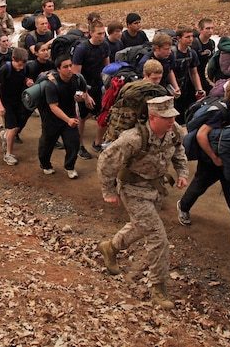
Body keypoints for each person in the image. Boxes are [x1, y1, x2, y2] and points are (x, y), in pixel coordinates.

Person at [97, 95, 189, 309]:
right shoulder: (133, 138)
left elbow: (179, 151)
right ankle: (158, 287)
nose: (171, 121)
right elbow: (106, 161)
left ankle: (110, 248)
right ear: (152, 117)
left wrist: (182, 171)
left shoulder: (173, 131)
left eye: (172, 117)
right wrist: (108, 191)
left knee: (141, 226)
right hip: (133, 190)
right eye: (166, 118)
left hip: (155, 189)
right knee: (158, 237)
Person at [176, 77, 230, 247]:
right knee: (200, 185)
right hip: (210, 158)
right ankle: (184, 206)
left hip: (229, 158)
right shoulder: (219, 112)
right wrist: (214, 158)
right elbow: (202, 135)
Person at [38, 54, 88, 178]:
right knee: (47, 144)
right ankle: (46, 165)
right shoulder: (52, 85)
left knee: (74, 143)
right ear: (58, 69)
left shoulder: (76, 79)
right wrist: (68, 119)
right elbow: (53, 106)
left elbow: (82, 92)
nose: (69, 69)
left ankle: (70, 167)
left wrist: (82, 98)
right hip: (52, 119)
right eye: (65, 67)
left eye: (70, 65)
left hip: (69, 116)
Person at [72, 20, 110, 157]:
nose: (102, 36)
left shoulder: (104, 46)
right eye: (99, 34)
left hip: (98, 85)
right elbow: (76, 75)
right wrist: (85, 94)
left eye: (103, 33)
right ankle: (79, 146)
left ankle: (97, 142)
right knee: (81, 117)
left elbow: (107, 67)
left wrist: (108, 86)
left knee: (101, 110)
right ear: (91, 33)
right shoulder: (82, 49)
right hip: (83, 86)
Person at [0, 48, 34, 165]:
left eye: (23, 65)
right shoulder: (5, 69)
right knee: (13, 128)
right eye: (19, 65)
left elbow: (25, 77)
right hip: (6, 101)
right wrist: (0, 105)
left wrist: (28, 81)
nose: (21, 67)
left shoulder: (25, 68)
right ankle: (8, 154)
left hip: (19, 100)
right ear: (13, 60)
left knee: (16, 127)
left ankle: (6, 135)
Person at [172, 26, 205, 123]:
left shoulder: (192, 53)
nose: (191, 39)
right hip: (171, 89)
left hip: (184, 87)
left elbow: (194, 73)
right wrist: (175, 87)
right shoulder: (172, 53)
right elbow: (169, 72)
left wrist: (199, 89)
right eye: (187, 37)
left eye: (192, 36)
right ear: (179, 38)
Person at [191, 18, 217, 94]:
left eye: (212, 28)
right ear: (200, 30)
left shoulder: (212, 43)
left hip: (205, 76)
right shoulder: (194, 44)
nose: (210, 31)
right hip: (193, 76)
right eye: (207, 28)